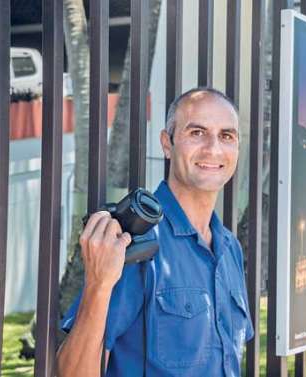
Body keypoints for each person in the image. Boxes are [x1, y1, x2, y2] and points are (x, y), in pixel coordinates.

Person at [56, 87, 254, 377]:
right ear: (166, 143)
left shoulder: (229, 247)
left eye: (227, 136)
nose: (214, 149)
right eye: (197, 132)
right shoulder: (136, 243)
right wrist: (98, 284)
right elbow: (72, 373)